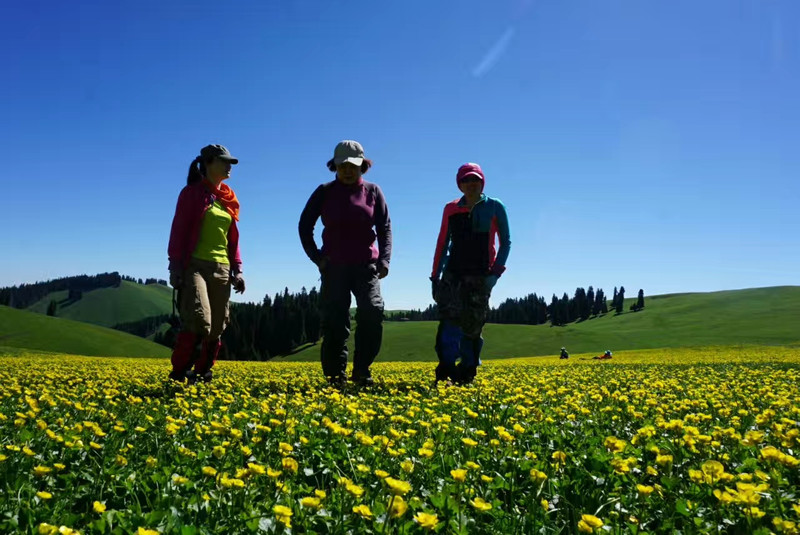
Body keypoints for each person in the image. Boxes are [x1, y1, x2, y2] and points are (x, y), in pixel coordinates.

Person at [299, 140, 392, 386]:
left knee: (372, 313)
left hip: (366, 267)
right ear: (335, 166)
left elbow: (384, 228)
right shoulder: (324, 191)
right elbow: (304, 226)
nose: (348, 171)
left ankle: (361, 370)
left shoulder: (373, 192)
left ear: (363, 165)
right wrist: (317, 257)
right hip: (334, 267)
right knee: (334, 322)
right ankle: (335, 377)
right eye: (342, 166)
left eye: (353, 165)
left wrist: (384, 259)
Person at [167, 144, 245, 383]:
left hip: (222, 268)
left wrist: (238, 269)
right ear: (209, 163)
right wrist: (175, 266)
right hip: (195, 266)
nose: (229, 166)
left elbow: (233, 239)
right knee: (200, 320)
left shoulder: (229, 197)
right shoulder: (191, 193)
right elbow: (178, 231)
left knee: (217, 326)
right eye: (224, 161)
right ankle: (179, 373)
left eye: (230, 162)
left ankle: (202, 374)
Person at [430, 162, 510, 384]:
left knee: (473, 325)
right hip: (452, 275)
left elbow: (506, 243)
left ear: (482, 182)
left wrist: (495, 274)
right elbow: (442, 243)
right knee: (448, 324)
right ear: (459, 184)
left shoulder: (495, 206)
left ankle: (467, 371)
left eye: (475, 179)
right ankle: (446, 369)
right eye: (466, 180)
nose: (471, 184)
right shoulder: (451, 208)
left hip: (480, 276)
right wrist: (435, 276)